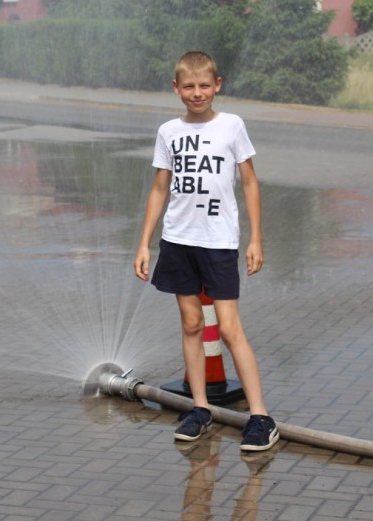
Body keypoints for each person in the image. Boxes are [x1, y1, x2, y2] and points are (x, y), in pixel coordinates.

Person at [133, 50, 279, 452]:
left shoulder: (232, 126)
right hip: (178, 240)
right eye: (189, 87)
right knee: (192, 324)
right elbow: (160, 188)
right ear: (176, 89)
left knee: (230, 329)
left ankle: (261, 417)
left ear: (218, 85)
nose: (197, 94)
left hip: (218, 242)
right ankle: (199, 409)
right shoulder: (169, 132)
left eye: (204, 86)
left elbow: (249, 183)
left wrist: (256, 239)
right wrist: (145, 243)